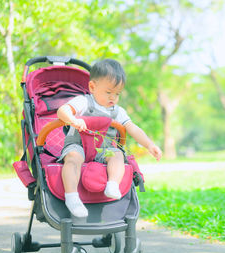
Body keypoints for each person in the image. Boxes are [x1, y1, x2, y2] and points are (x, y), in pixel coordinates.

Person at [57, 59, 162, 217]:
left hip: (102, 149)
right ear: (92, 87)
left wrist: (149, 144)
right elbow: (62, 111)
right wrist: (73, 119)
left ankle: (112, 184)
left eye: (117, 94)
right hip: (79, 144)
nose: (113, 97)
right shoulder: (84, 102)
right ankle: (72, 197)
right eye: (108, 92)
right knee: (72, 158)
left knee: (117, 155)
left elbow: (132, 128)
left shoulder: (117, 111)